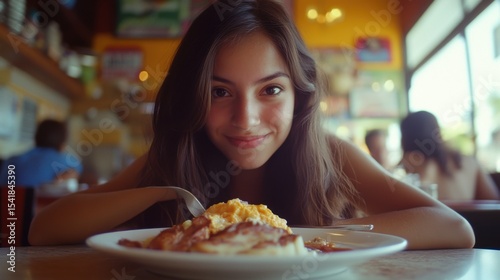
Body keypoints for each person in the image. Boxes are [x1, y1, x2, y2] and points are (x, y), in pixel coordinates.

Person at [29, 0, 474, 249]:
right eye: (220, 92)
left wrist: (285, 237)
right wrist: (163, 189)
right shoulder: (171, 163)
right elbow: (43, 229)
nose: (246, 119)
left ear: (300, 94)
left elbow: (454, 229)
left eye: (271, 90)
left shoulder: (331, 155)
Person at [399, 111, 499, 201]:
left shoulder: (410, 165)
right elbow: (494, 204)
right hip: (467, 221)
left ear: (405, 139)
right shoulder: (469, 162)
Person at [0, 119, 83, 188]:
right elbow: (78, 169)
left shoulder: (13, 161)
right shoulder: (68, 162)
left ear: (37, 136)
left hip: (13, 205)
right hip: (49, 206)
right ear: (62, 141)